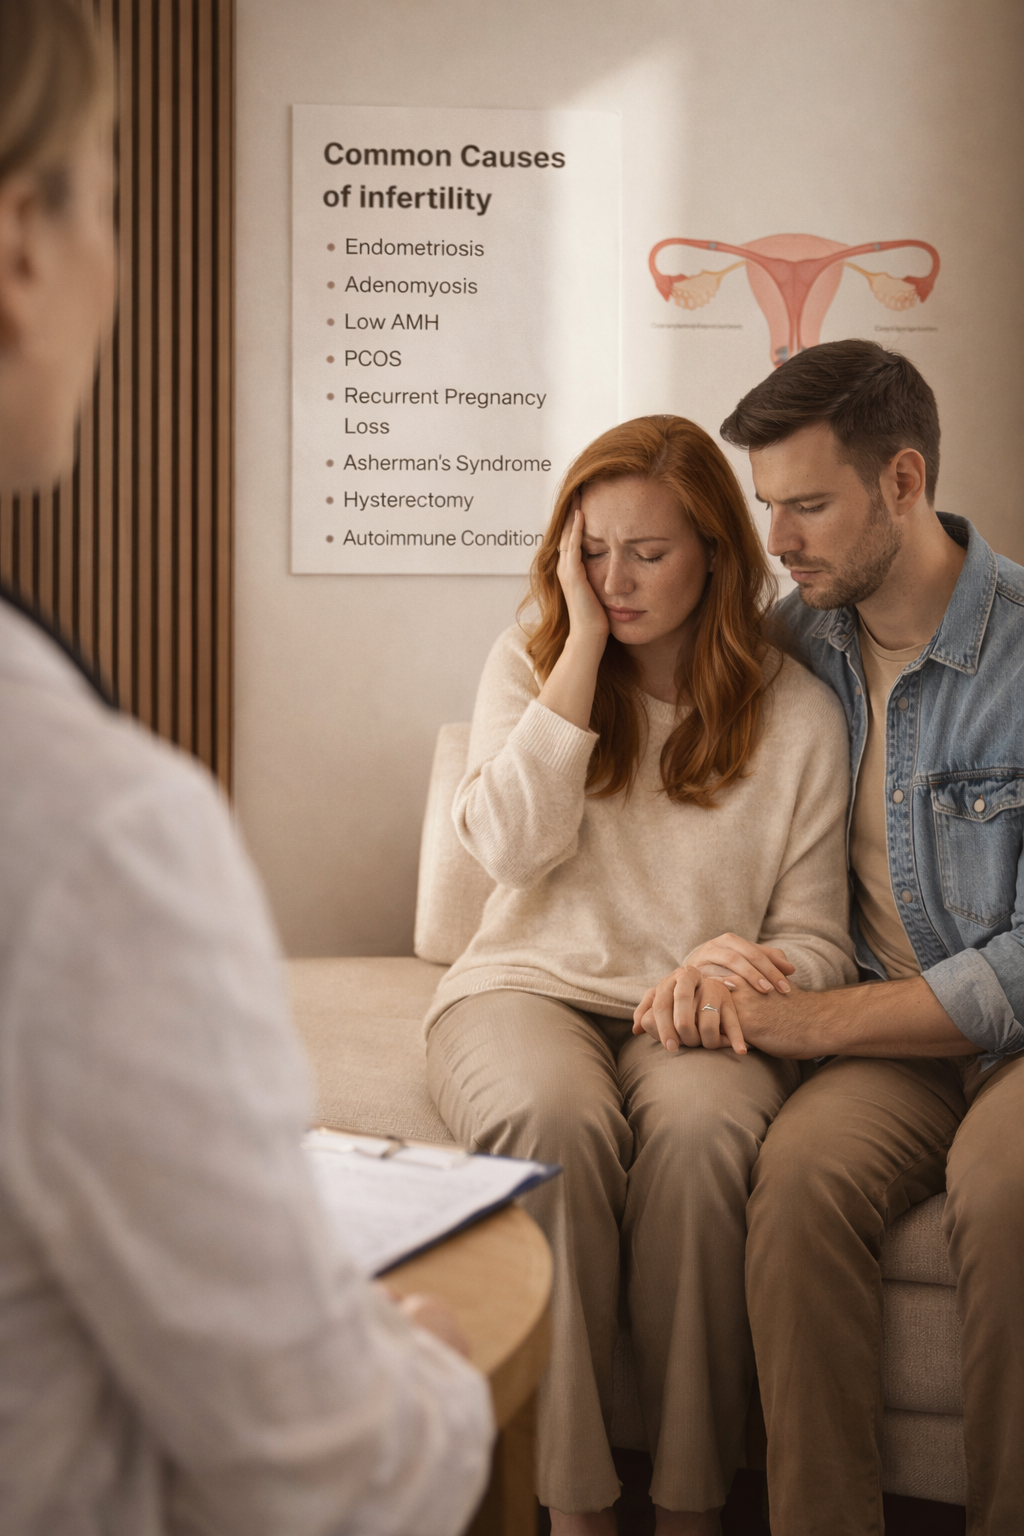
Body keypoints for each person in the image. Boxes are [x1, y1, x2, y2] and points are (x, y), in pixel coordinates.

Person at [0, 4, 492, 1532]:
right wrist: (431, 1387)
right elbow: (331, 1469)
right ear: (21, 248)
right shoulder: (94, 827)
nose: (121, 272)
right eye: (113, 200)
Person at [423, 413, 859, 1534]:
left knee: (707, 1138)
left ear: (716, 551)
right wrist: (575, 647)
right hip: (524, 986)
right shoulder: (530, 662)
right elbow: (504, 852)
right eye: (591, 550)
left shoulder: (798, 712)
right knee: (552, 1122)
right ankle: (571, 1505)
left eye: (646, 554)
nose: (613, 579)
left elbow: (819, 941)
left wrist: (742, 964)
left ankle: (689, 1503)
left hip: (697, 1016)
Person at [685, 338, 1020, 1536]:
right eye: (768, 506)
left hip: (1010, 1039)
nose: (779, 540)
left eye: (808, 504)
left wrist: (813, 1020)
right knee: (800, 1178)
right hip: (892, 1038)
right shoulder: (793, 644)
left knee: (1010, 1188)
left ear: (900, 480)